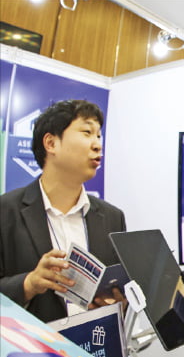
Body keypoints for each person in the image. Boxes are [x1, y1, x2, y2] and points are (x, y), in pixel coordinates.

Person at [0, 99, 126, 322]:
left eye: (98, 135)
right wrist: (29, 284)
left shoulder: (113, 218)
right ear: (51, 143)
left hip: (94, 351)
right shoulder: (5, 211)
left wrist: (119, 303)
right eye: (87, 132)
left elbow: (119, 296)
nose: (97, 144)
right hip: (29, 351)